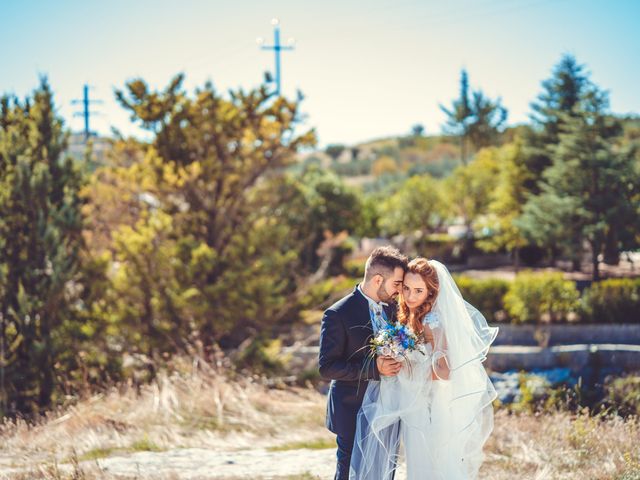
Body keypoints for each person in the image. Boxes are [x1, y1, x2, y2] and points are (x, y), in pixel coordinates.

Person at [350, 257, 499, 480]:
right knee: (419, 465)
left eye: (418, 291)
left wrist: (408, 370)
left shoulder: (432, 320)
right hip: (415, 406)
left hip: (429, 406)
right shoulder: (409, 314)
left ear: (430, 292)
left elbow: (445, 371)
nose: (410, 296)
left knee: (431, 464)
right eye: (406, 288)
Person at [319, 246, 409, 480]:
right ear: (378, 279)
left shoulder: (395, 310)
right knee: (350, 471)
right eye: (397, 284)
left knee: (386, 467)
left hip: (388, 405)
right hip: (351, 406)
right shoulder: (338, 313)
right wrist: (374, 369)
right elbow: (327, 367)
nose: (399, 291)